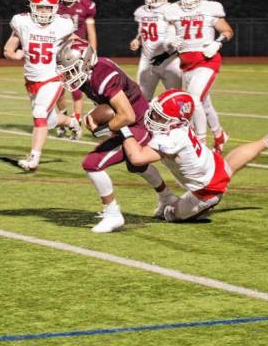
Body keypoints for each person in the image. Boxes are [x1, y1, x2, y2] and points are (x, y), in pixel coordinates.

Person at [56, 39, 179, 233]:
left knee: (93, 164)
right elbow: (109, 106)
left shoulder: (103, 75)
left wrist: (104, 128)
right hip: (132, 121)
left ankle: (113, 213)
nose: (68, 75)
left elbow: (127, 115)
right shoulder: (90, 75)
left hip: (136, 123)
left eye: (72, 69)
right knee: (136, 165)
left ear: (86, 62)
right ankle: (168, 198)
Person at [120, 89, 268, 221]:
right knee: (228, 166)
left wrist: (122, 126)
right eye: (155, 113)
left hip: (207, 189)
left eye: (159, 116)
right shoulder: (176, 126)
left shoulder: (173, 136)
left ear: (175, 120)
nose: (153, 117)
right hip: (210, 163)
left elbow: (138, 157)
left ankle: (201, 205)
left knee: (171, 214)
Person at [3, 0, 82, 171]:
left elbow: (76, 41)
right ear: (32, 7)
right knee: (51, 120)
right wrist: (12, 54)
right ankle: (72, 122)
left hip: (52, 77)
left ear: (54, 8)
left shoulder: (62, 25)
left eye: (47, 8)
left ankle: (34, 158)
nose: (44, 12)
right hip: (31, 79)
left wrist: (85, 55)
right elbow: (11, 45)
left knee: (39, 114)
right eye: (40, 8)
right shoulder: (22, 22)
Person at [163, 0, 233, 154]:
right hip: (186, 64)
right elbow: (168, 38)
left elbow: (227, 30)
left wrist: (217, 42)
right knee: (204, 104)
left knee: (193, 99)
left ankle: (199, 141)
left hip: (207, 60)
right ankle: (219, 135)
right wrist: (170, 41)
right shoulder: (173, 10)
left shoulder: (210, 8)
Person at [54, 0, 97, 139]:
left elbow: (91, 32)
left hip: (77, 52)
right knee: (58, 89)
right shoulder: (55, 7)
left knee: (77, 88)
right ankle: (64, 115)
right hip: (58, 51)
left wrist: (92, 51)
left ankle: (76, 119)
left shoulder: (85, 6)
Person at [130, 0, 182, 100]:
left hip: (170, 61)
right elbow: (142, 31)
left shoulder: (172, 9)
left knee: (175, 98)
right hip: (147, 61)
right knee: (142, 100)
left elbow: (178, 35)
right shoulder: (141, 11)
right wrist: (137, 40)